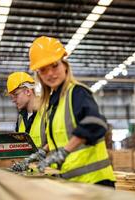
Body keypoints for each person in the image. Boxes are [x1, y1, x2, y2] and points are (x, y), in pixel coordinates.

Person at [29, 36, 116, 187]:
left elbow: (95, 123)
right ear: (39, 76)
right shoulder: (53, 103)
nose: (50, 73)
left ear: (65, 66)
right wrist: (42, 152)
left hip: (95, 182)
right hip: (75, 184)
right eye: (43, 69)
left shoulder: (77, 93)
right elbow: (63, 135)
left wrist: (64, 152)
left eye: (55, 66)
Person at [7, 72, 48, 171]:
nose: (13, 100)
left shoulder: (47, 111)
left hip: (48, 173)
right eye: (11, 97)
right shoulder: (21, 117)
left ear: (28, 91)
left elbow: (56, 141)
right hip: (29, 173)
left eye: (16, 95)